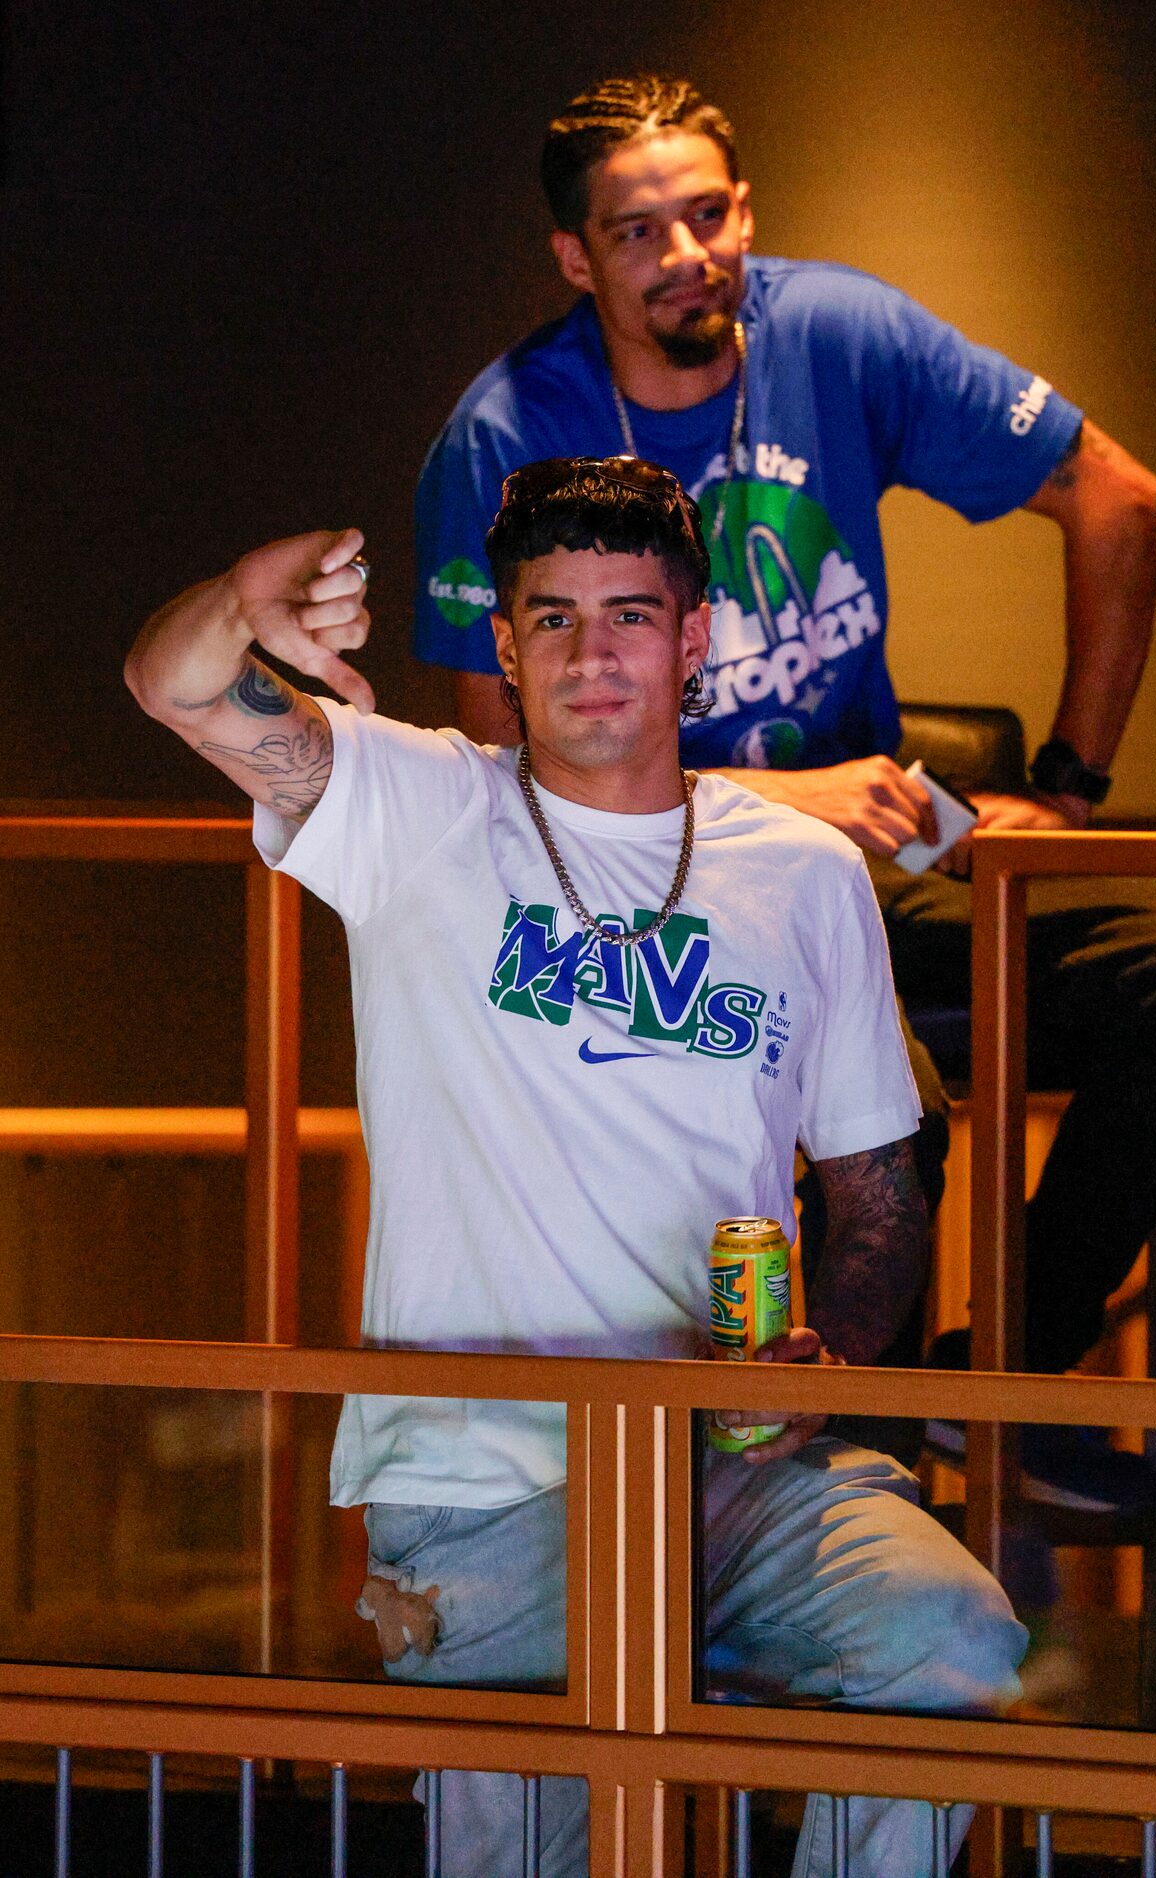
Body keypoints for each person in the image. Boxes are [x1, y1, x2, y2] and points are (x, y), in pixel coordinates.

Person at [126, 458, 1027, 1877]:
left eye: (627, 613)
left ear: (696, 636)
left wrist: (825, 1357)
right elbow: (176, 683)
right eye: (550, 617)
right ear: (503, 642)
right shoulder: (420, 805)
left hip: (726, 1471)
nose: (591, 652)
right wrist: (250, 599)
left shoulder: (801, 873)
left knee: (953, 1649)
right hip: (483, 1485)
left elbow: (872, 1195)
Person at [411, 72, 1156, 1510]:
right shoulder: (507, 429)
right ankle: (841, 1462)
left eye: (708, 214)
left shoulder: (835, 330)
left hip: (863, 878)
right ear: (574, 258)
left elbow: (1125, 497)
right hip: (642, 901)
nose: (688, 256)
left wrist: (1066, 787)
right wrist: (771, 799)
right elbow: (504, 773)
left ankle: (997, 1386)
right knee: (886, 1110)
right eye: (636, 233)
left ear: (745, 210)